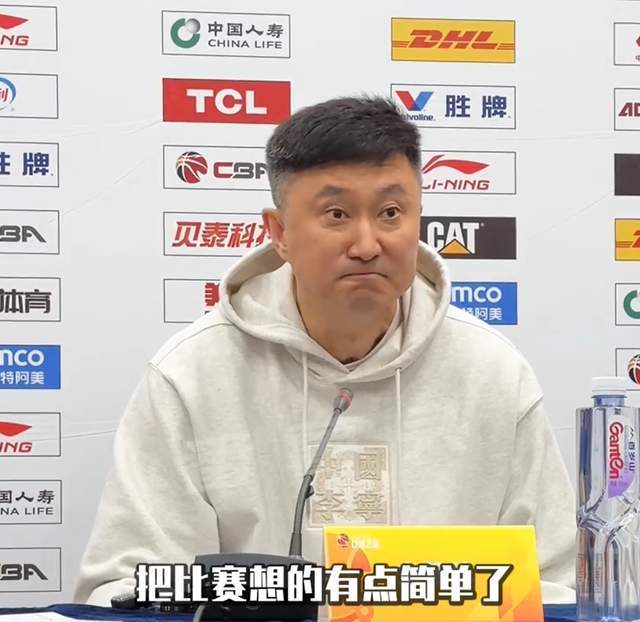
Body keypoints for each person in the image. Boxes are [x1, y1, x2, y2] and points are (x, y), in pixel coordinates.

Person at [75, 96, 576, 605]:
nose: (367, 244)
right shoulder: (192, 374)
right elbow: (128, 588)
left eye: (390, 213)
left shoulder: (493, 371)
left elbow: (555, 587)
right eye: (337, 214)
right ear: (280, 233)